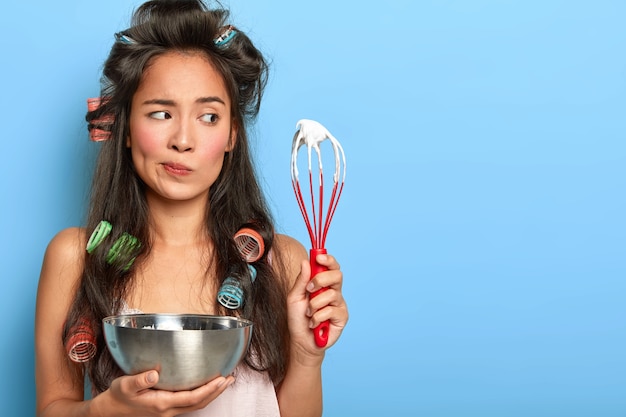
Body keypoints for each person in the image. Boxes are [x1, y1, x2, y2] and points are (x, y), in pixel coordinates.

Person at [34, 1, 348, 416]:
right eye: (161, 113)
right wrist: (105, 410)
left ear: (233, 134)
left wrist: (308, 358)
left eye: (208, 116)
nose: (183, 139)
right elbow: (53, 407)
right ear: (125, 129)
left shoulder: (281, 262)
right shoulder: (77, 257)